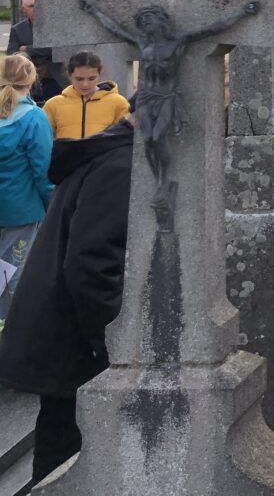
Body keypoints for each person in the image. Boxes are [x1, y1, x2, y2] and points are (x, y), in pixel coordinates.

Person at [0, 117, 132, 490]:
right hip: (74, 341)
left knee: (60, 434)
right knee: (63, 448)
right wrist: (110, 342)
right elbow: (91, 263)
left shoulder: (112, 154)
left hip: (64, 334)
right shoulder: (122, 165)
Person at [0, 55, 54, 320]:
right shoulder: (34, 118)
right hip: (21, 209)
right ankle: (11, 327)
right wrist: (52, 205)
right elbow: (44, 171)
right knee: (13, 274)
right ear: (31, 81)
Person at [41, 51, 130, 140]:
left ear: (99, 74)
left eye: (91, 79)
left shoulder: (118, 103)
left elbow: (125, 138)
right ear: (69, 75)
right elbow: (43, 140)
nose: (85, 84)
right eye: (79, 79)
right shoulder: (53, 105)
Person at [6, 0, 61, 104]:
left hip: (56, 79)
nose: (36, 9)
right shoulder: (17, 29)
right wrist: (44, 51)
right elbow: (13, 55)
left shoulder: (56, 26)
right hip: (30, 81)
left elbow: (56, 48)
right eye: (31, 6)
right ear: (23, 9)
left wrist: (27, 49)